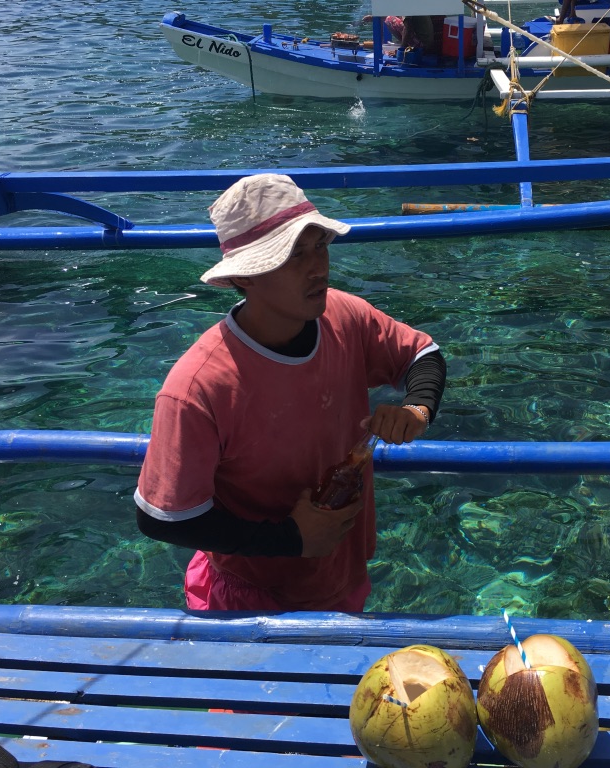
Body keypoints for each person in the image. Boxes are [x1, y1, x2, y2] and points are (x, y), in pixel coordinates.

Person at [133, 173, 446, 612]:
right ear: (246, 276)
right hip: (249, 598)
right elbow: (161, 516)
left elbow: (423, 354)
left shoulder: (345, 315)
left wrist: (417, 408)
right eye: (292, 255)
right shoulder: (198, 387)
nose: (318, 267)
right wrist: (291, 539)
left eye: (319, 246)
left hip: (344, 575)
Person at [364, 14, 436, 50]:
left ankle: (406, 45)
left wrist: (402, 48)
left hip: (421, 45)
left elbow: (407, 28)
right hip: (427, 42)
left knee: (389, 19)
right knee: (391, 18)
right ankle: (406, 43)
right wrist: (374, 17)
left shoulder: (407, 4)